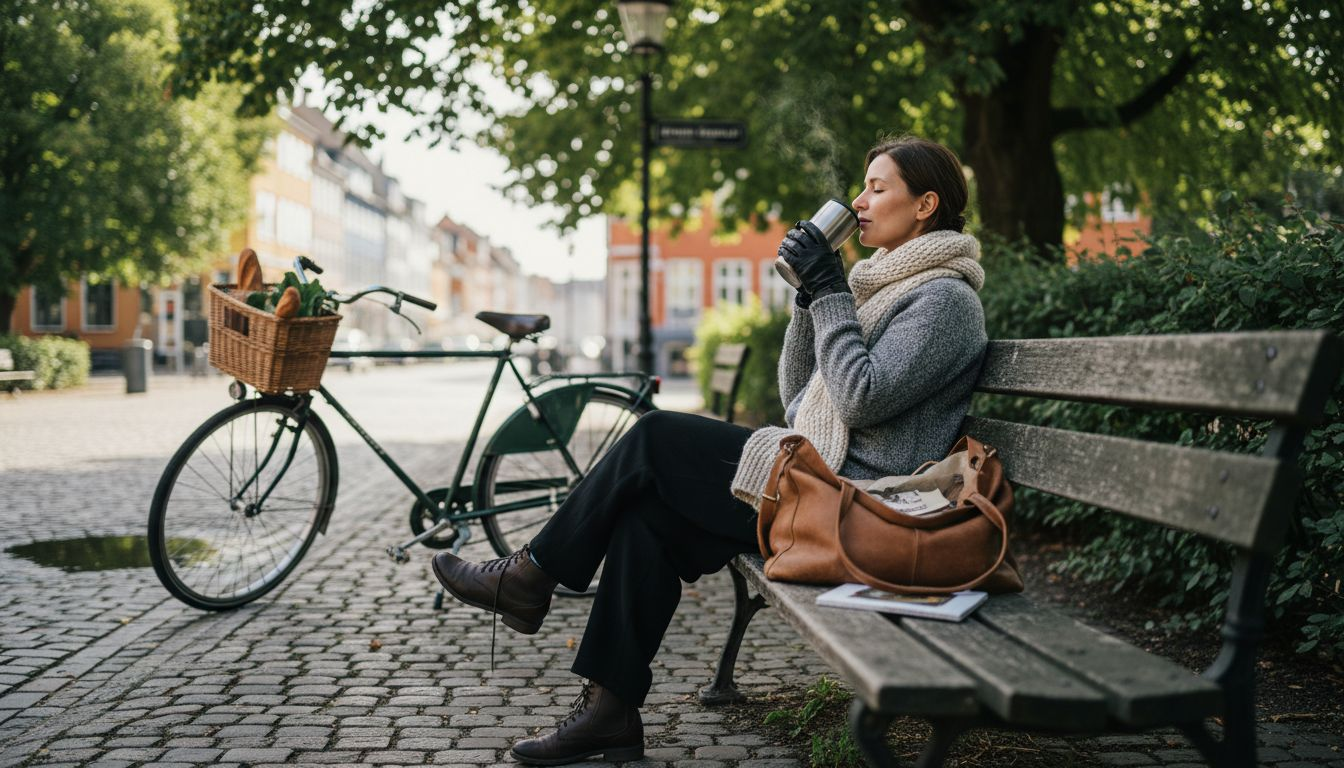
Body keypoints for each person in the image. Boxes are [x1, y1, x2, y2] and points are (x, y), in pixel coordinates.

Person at [431, 135, 989, 765]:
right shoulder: (876, 288)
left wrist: (831, 291)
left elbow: (859, 399)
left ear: (925, 205)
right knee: (646, 520)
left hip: (858, 506)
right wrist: (810, 299)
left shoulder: (945, 302)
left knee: (654, 436)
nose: (859, 201)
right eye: (862, 186)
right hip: (817, 481)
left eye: (877, 188)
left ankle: (530, 575)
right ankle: (609, 713)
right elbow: (799, 398)